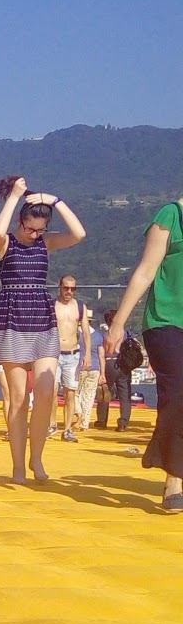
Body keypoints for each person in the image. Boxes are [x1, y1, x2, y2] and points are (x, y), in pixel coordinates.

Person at [0, 176, 86, 483]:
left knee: (47, 391)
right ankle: (18, 466)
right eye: (30, 228)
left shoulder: (45, 243)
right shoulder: (6, 243)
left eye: (40, 230)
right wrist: (16, 195)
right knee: (18, 397)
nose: (34, 234)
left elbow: (79, 234)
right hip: (11, 320)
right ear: (21, 220)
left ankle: (37, 459)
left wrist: (54, 200)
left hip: (42, 320)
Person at [105, 196, 183, 513]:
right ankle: (174, 480)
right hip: (166, 321)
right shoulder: (171, 215)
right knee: (177, 393)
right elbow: (145, 271)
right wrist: (119, 323)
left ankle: (160, 449)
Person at [52, 275, 91, 442]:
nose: (69, 292)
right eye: (66, 288)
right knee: (51, 391)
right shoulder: (52, 305)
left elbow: (86, 332)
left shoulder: (80, 307)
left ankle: (67, 429)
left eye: (72, 289)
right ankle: (51, 424)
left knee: (70, 393)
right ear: (59, 287)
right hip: (53, 355)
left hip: (73, 354)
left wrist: (87, 353)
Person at [96, 309, 133, 430]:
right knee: (125, 394)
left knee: (105, 391)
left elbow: (100, 352)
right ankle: (123, 422)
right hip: (124, 364)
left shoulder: (104, 335)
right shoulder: (127, 333)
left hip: (109, 363)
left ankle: (102, 421)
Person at [74, 313, 105, 436]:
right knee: (89, 396)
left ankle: (78, 413)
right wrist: (103, 373)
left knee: (75, 393)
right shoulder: (98, 336)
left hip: (79, 366)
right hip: (95, 368)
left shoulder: (76, 334)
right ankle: (85, 423)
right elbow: (101, 355)